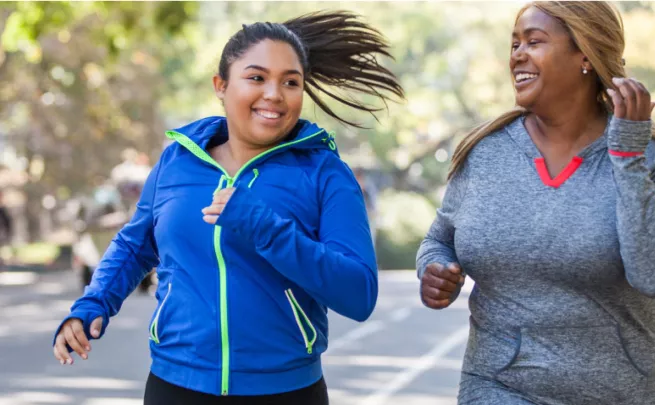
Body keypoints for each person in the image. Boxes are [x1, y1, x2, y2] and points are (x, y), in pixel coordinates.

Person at [53, 11, 403, 405]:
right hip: (175, 385)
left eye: (291, 82)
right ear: (221, 85)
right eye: (256, 78)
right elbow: (135, 245)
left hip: (285, 391)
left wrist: (265, 228)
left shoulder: (325, 174)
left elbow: (358, 293)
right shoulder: (176, 163)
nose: (274, 93)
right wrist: (93, 304)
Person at [416, 2, 655, 405]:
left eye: (534, 41)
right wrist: (434, 271)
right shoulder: (484, 153)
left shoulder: (651, 156)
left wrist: (627, 156)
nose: (517, 54)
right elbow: (439, 239)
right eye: (514, 44)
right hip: (498, 387)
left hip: (623, 394)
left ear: (585, 54)